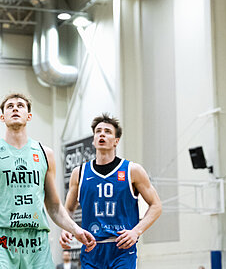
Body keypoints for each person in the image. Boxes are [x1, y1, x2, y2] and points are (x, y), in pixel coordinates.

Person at [0, 93, 96, 268]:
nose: (15, 108)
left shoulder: (45, 153)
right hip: (0, 239)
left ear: (29, 116)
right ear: (2, 117)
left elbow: (54, 206)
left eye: (20, 105)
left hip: (37, 241)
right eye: (10, 106)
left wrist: (76, 229)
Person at [60, 113, 162, 269]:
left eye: (107, 131)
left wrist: (136, 231)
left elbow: (156, 206)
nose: (102, 134)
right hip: (91, 248)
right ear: (94, 140)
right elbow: (68, 209)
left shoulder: (132, 170)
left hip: (121, 248)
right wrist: (66, 228)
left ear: (116, 141)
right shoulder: (79, 173)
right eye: (98, 131)